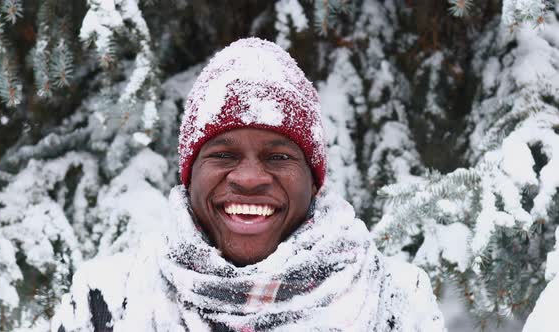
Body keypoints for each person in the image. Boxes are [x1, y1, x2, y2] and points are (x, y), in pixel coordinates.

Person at [52, 38, 445, 332]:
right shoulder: (104, 298)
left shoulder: (395, 296)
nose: (250, 178)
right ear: (190, 174)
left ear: (314, 179)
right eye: (223, 155)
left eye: (279, 156)